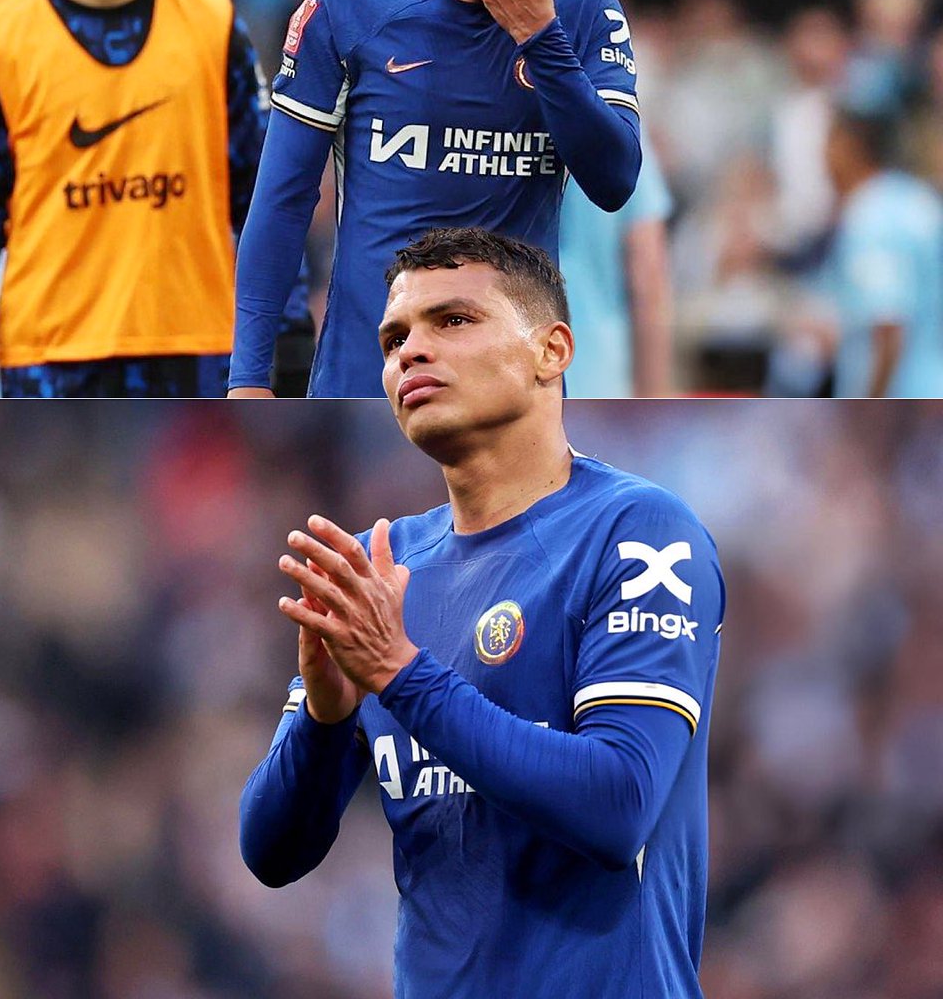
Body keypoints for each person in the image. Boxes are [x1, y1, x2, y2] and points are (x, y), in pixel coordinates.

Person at [240, 227, 725, 998]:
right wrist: (324, 720)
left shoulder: (638, 530)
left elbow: (618, 804)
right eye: (395, 337)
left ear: (552, 352)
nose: (411, 353)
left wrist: (401, 676)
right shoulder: (385, 569)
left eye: (453, 321)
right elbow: (271, 853)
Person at [228, 0, 642, 398]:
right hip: (369, 377)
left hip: (510, 385)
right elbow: (282, 201)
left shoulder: (582, 14)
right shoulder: (349, 11)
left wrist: (540, 40)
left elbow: (615, 178)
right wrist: (247, 377)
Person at [0, 0, 313, 398]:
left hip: (195, 344)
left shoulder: (210, 23)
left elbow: (264, 197)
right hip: (53, 350)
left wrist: (285, 334)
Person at [824, 106, 943, 396]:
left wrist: (871, 405)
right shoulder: (918, 199)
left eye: (828, 143)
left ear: (847, 148)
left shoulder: (870, 216)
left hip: (904, 397)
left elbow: (889, 323)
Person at [560, 132, 674, 396]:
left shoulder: (487, 127)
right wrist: (653, 398)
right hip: (595, 372)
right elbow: (648, 277)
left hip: (511, 375)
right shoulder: (620, 132)